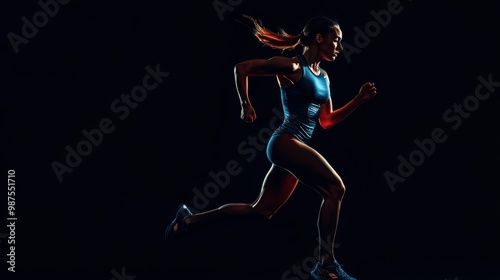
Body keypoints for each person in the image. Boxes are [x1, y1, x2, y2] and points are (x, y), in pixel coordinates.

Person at [165, 14, 377, 280]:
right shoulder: (291, 67)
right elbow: (241, 68)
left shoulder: (323, 76)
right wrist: (246, 103)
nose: (340, 47)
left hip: (294, 147)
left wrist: (358, 100)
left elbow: (326, 120)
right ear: (320, 38)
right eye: (336, 40)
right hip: (286, 143)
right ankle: (326, 263)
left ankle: (188, 220)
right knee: (336, 189)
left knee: (260, 211)